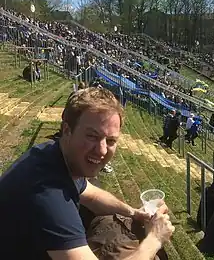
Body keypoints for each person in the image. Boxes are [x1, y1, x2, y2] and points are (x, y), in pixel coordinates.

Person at [0, 87, 175, 259]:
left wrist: (134, 212)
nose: (102, 150)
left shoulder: (53, 153)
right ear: (67, 130)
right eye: (92, 136)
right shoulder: (48, 194)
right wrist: (155, 238)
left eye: (110, 140)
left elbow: (91, 196)